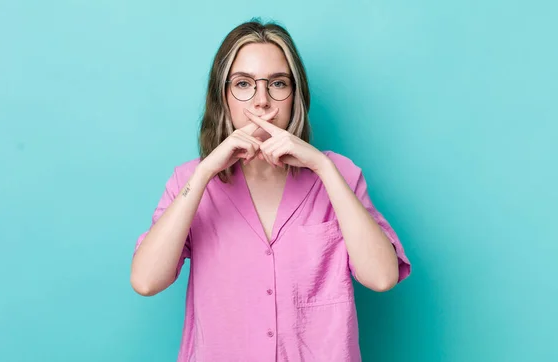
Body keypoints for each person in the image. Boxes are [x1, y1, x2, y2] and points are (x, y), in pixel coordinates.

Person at [130, 19, 411, 362]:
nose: (262, 101)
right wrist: (204, 173)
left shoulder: (340, 174)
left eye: (277, 83)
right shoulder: (189, 180)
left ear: (295, 95)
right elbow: (146, 281)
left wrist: (324, 169)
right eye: (244, 84)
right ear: (223, 96)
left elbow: (382, 277)